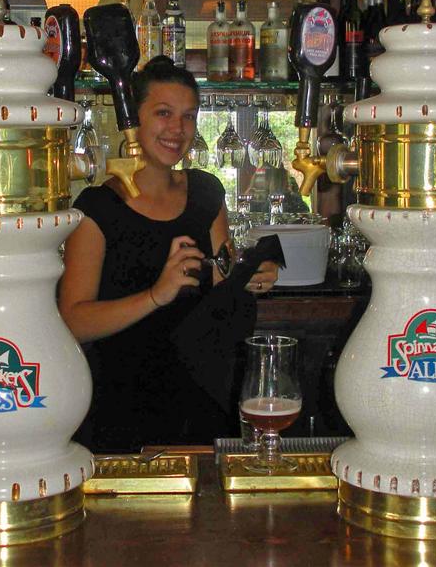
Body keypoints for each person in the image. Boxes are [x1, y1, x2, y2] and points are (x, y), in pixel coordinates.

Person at [58, 56, 279, 451]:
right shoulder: (97, 208)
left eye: (188, 116)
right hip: (123, 404)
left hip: (203, 396)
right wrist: (156, 295)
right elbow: (73, 321)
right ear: (132, 118)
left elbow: (220, 278)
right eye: (163, 113)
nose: (178, 129)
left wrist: (251, 275)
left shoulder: (206, 192)